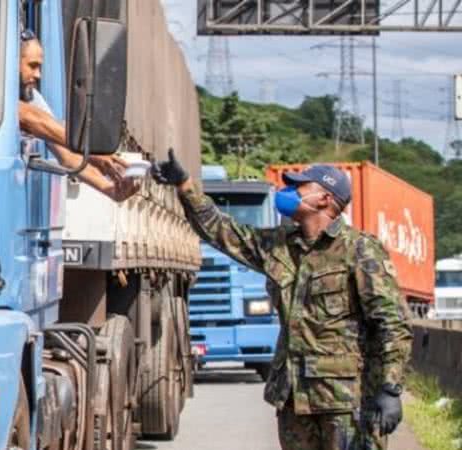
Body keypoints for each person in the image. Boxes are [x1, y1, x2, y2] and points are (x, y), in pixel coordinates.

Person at [152, 150, 413, 450]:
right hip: (293, 399)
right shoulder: (279, 246)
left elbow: (392, 323)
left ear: (325, 199)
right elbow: (221, 231)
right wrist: (185, 185)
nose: (288, 191)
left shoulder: (359, 250)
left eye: (301, 187)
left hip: (345, 402)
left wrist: (391, 389)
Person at [17, 30, 139, 202]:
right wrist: (89, 149)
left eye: (40, 67)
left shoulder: (31, 97)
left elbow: (68, 156)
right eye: (32, 66)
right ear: (10, 62)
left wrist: (109, 189)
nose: (38, 75)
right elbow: (31, 119)